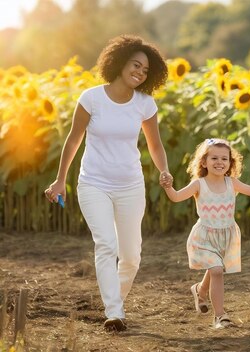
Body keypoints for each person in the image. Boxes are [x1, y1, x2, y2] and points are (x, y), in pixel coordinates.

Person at [43, 35, 172, 332]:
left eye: (145, 70)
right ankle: (114, 312)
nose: (139, 73)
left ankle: (115, 301)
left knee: (131, 256)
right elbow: (73, 140)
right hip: (93, 183)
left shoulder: (145, 104)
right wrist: (61, 180)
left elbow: (155, 145)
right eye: (135, 65)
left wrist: (164, 170)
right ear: (119, 62)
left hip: (130, 185)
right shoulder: (91, 98)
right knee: (105, 245)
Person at [160, 138, 250, 329]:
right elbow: (176, 197)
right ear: (204, 162)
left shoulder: (231, 182)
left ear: (230, 163)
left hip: (226, 235)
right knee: (217, 270)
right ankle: (220, 316)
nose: (220, 162)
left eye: (224, 159)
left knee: (215, 268)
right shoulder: (199, 184)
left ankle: (200, 291)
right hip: (204, 237)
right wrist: (168, 186)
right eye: (214, 158)